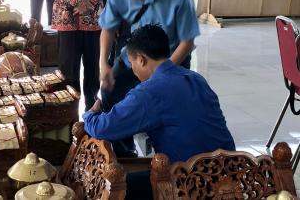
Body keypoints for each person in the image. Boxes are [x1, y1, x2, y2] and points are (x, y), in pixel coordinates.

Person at [84, 24, 235, 200]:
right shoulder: (195, 78)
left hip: (190, 183)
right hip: (229, 173)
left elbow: (103, 128)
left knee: (110, 186)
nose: (133, 69)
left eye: (132, 63)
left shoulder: (149, 92)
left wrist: (91, 114)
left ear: (141, 59)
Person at [99, 0, 200, 157]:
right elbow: (108, 29)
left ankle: (167, 158)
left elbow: (187, 40)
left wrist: (163, 73)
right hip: (135, 57)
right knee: (110, 94)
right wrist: (103, 64)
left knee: (169, 110)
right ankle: (121, 154)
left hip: (171, 59)